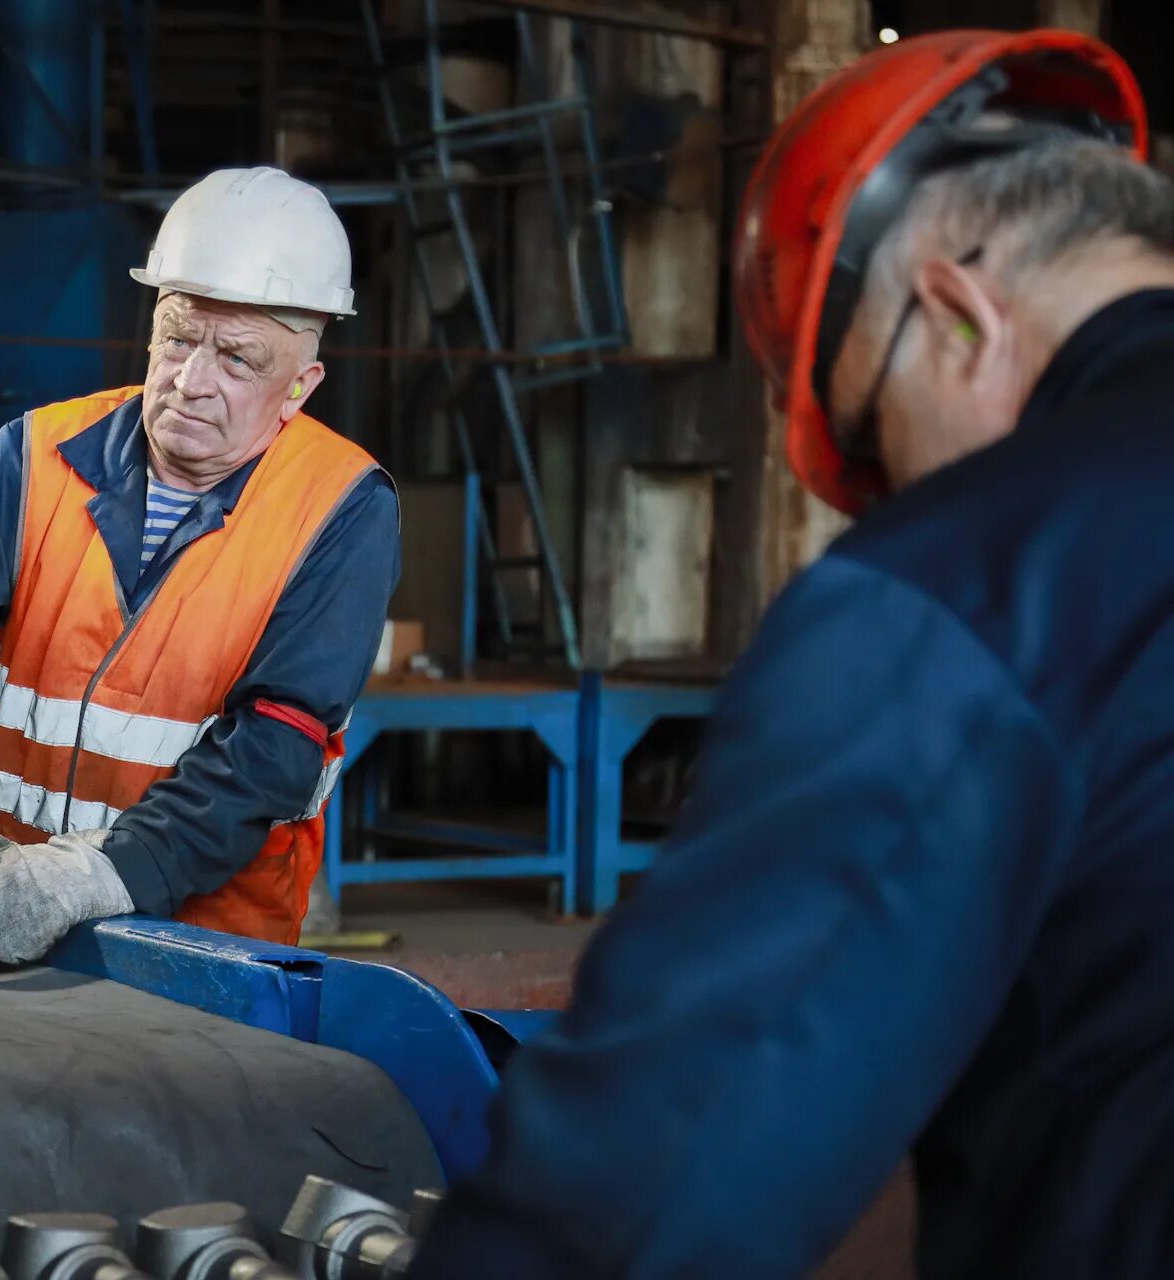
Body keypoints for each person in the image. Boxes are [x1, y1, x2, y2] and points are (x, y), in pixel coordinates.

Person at [413, 29, 1174, 1279]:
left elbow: (650, 1182)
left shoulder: (975, 574)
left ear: (957, 314)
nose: (877, 502)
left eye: (871, 443)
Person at [0, 167, 399, 965]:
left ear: (300, 385)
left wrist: (105, 873)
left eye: (237, 359)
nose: (191, 383)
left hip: (207, 951)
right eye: (179, 337)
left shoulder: (341, 508)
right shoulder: (38, 459)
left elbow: (277, 746)